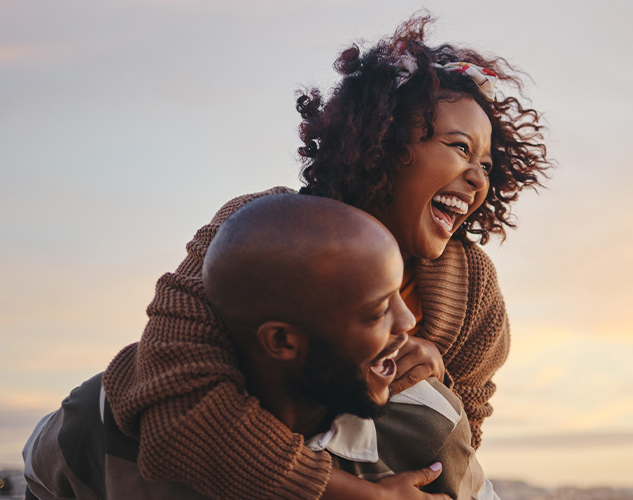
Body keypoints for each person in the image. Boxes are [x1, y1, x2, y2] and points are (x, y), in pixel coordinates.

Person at [102, 12, 550, 500]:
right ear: (385, 142)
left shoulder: (473, 287)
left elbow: (461, 440)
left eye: (485, 164)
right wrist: (351, 494)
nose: (478, 178)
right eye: (459, 147)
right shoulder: (261, 229)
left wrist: (438, 374)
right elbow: (177, 402)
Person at [23, 195, 496, 499]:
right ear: (283, 340)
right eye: (376, 312)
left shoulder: (428, 426)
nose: (410, 324)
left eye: (401, 293)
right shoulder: (100, 419)